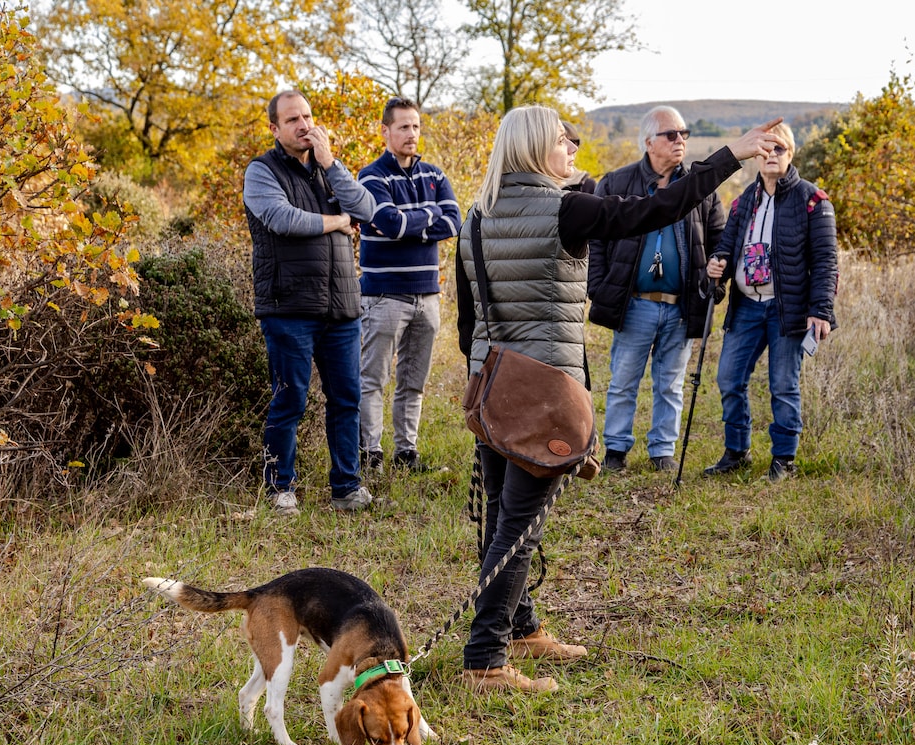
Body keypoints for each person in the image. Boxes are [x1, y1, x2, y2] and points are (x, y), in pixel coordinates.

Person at [454, 105, 786, 694]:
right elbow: (659, 208)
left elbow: (466, 322)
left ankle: (521, 629)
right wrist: (730, 156)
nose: (572, 149)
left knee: (503, 514)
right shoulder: (566, 208)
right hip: (542, 389)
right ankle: (485, 660)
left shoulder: (476, 216)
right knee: (518, 526)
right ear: (535, 148)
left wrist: (487, 377)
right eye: (563, 140)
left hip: (490, 384)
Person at [243, 89, 376, 516]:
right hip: (289, 308)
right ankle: (280, 489)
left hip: (341, 308)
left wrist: (331, 164)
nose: (304, 125)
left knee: (347, 399)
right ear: (274, 128)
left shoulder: (328, 168)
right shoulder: (261, 171)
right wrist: (339, 221)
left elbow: (367, 208)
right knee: (290, 401)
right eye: (292, 120)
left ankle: (346, 488)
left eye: (307, 117)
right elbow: (282, 219)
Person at [588, 106, 725, 473]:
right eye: (671, 134)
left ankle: (662, 451)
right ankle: (616, 450)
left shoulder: (700, 188)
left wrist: (715, 279)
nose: (680, 140)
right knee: (623, 381)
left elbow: (719, 240)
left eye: (684, 134)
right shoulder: (617, 183)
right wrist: (600, 289)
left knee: (670, 384)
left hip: (681, 305)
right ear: (649, 142)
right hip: (634, 304)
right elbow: (595, 241)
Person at [702, 121, 838, 481]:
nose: (772, 155)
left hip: (786, 308)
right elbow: (726, 247)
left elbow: (826, 261)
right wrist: (718, 263)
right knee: (729, 379)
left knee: (782, 384)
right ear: (756, 156)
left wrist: (820, 311)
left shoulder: (813, 200)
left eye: (779, 148)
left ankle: (784, 459)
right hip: (746, 305)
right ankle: (737, 452)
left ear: (791, 153)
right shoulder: (744, 201)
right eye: (765, 149)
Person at [357, 97, 462, 472]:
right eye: (403, 126)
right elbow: (391, 223)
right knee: (372, 379)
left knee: (413, 381)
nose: (411, 133)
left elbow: (454, 221)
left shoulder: (434, 175)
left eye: (416, 126)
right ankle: (370, 455)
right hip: (384, 296)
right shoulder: (371, 177)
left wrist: (414, 220)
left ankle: (406, 453)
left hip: (427, 295)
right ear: (385, 131)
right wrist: (430, 212)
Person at [560, 121, 596, 193]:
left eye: (574, 143)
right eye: (561, 142)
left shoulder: (588, 186)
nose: (574, 148)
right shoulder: (537, 186)